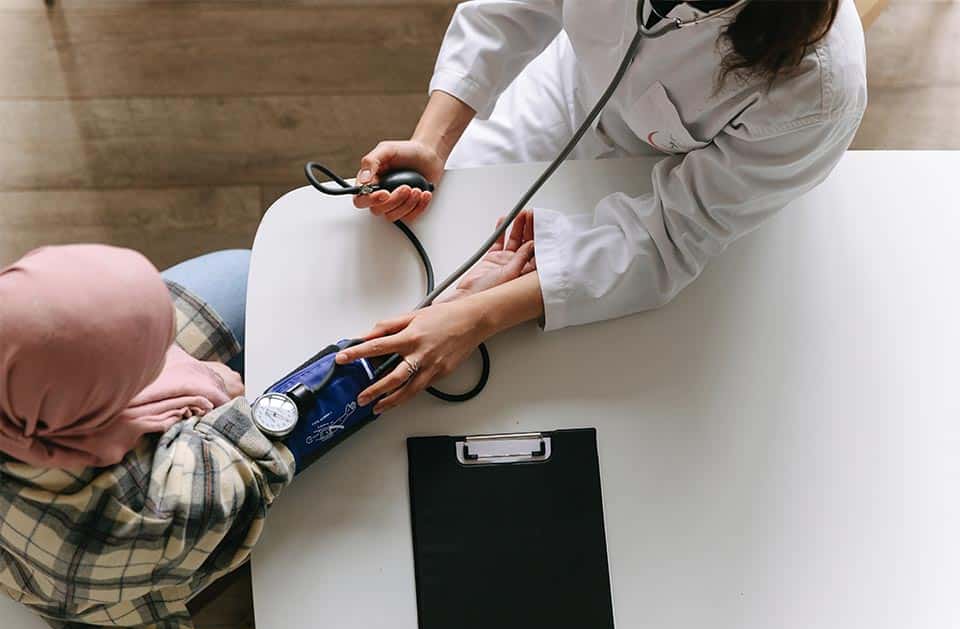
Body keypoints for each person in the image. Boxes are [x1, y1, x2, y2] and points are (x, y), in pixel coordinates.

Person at [338, 0, 868, 413]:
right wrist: (433, 143)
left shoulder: (816, 88)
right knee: (419, 252)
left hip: (682, 176)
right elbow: (510, 10)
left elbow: (672, 236)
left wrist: (475, 319)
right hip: (567, 91)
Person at [0, 245, 293, 629]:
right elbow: (250, 472)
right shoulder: (133, 512)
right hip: (104, 581)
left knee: (245, 271)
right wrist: (222, 389)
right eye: (154, 362)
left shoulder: (25, 389)